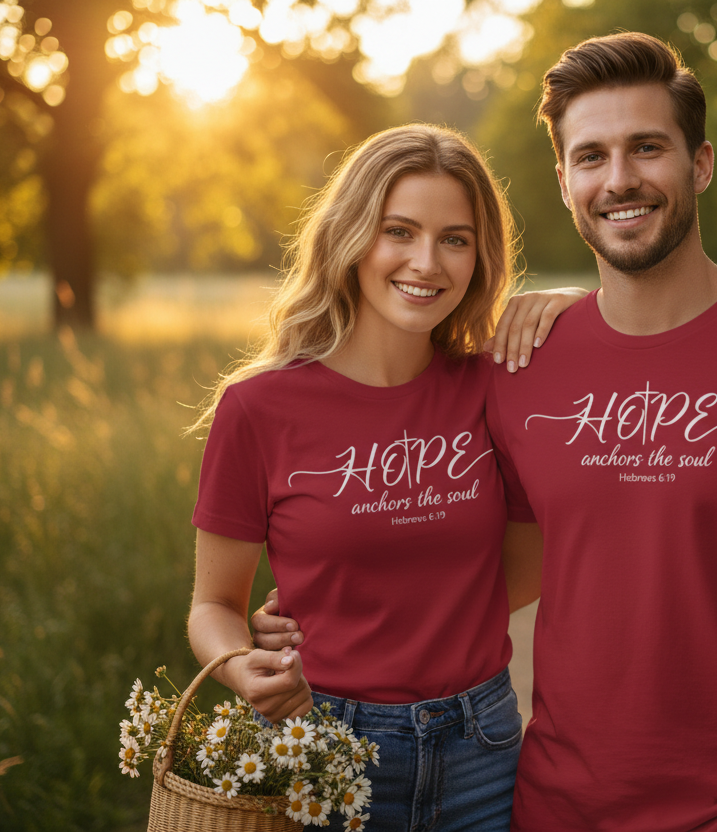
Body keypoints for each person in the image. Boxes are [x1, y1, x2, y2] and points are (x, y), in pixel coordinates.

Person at [256, 33, 717, 832]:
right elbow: (485, 564)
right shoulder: (520, 362)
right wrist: (323, 615)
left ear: (700, 164)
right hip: (546, 807)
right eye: (592, 156)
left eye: (647, 148)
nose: (620, 179)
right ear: (565, 180)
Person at [186, 123, 585, 831]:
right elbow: (212, 605)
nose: (426, 262)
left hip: (479, 746)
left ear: (479, 256)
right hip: (322, 742)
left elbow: (526, 570)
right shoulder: (258, 408)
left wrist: (575, 306)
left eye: (455, 239)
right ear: (351, 236)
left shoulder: (497, 389)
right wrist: (241, 664)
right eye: (399, 230)